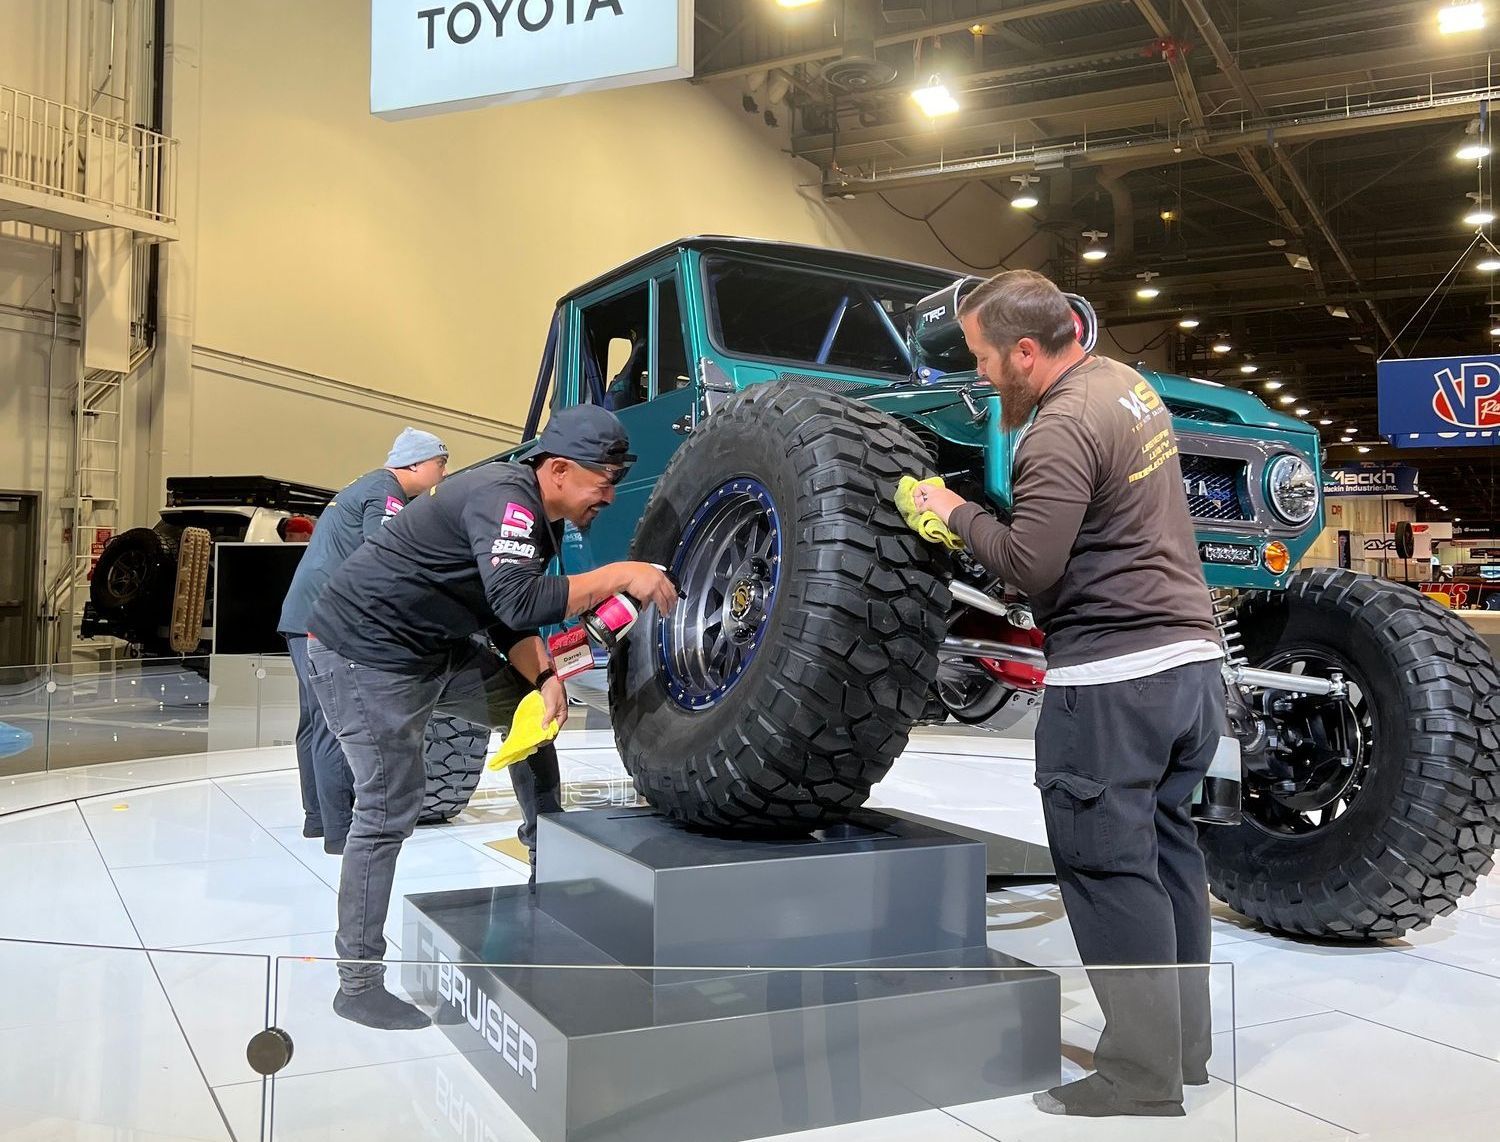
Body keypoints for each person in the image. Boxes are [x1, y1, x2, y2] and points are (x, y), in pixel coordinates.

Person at [913, 270, 1225, 1119]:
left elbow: (1027, 565)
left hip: (1114, 683)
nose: (980, 376)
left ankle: (1138, 1077)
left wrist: (948, 510)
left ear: (1025, 349)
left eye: (984, 358)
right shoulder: (1127, 387)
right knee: (1168, 860)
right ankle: (1184, 1054)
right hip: (1193, 671)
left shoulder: (1058, 429)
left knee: (1106, 870)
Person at [306, 404, 678, 1030]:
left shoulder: (537, 515)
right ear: (558, 469)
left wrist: (544, 678)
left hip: (432, 646)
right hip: (363, 655)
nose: (610, 495)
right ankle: (357, 982)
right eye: (604, 479)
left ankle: (547, 864)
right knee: (388, 806)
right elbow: (517, 596)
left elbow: (506, 616)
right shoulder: (506, 497)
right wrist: (620, 574)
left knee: (534, 720)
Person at [278, 428, 450, 854]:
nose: (443, 474)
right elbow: (386, 553)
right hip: (323, 619)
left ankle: (318, 819)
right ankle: (339, 832)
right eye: (440, 464)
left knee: (314, 720)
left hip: (302, 614)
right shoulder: (387, 492)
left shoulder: (365, 484)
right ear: (416, 463)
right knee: (335, 723)